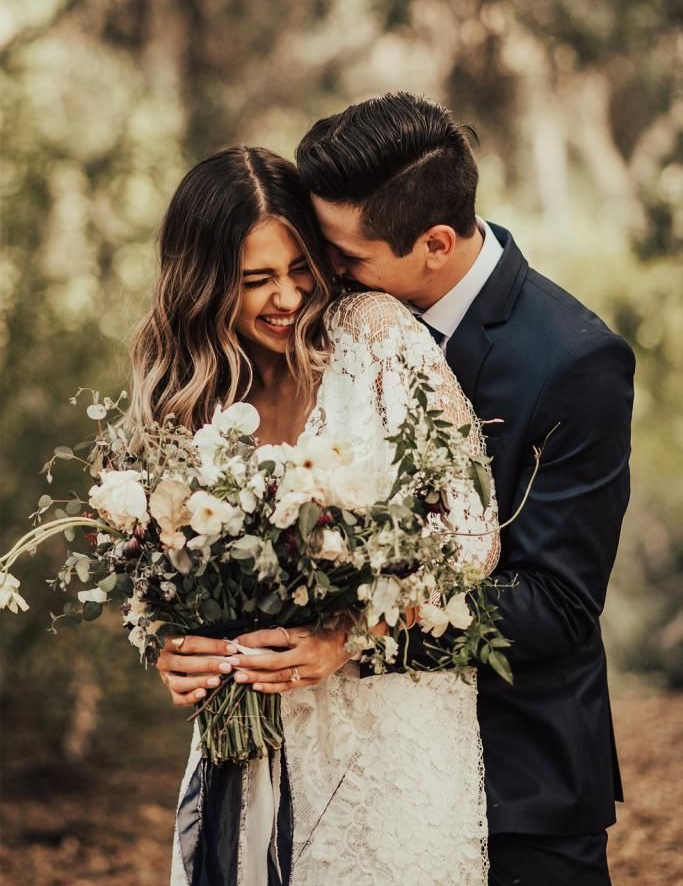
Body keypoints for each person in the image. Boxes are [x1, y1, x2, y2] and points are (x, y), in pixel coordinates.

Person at [238, 90, 630, 886]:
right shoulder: (324, 319)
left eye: (343, 256)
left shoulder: (573, 360)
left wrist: (355, 638)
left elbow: (555, 602)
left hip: (519, 781)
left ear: (434, 242)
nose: (323, 275)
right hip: (344, 778)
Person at [139, 146, 500, 885]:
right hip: (246, 740)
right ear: (204, 284)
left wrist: (349, 636)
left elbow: (468, 537)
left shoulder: (374, 336)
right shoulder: (181, 385)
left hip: (384, 731)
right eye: (255, 280)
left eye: (300, 267)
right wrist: (168, 647)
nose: (287, 297)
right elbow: (152, 557)